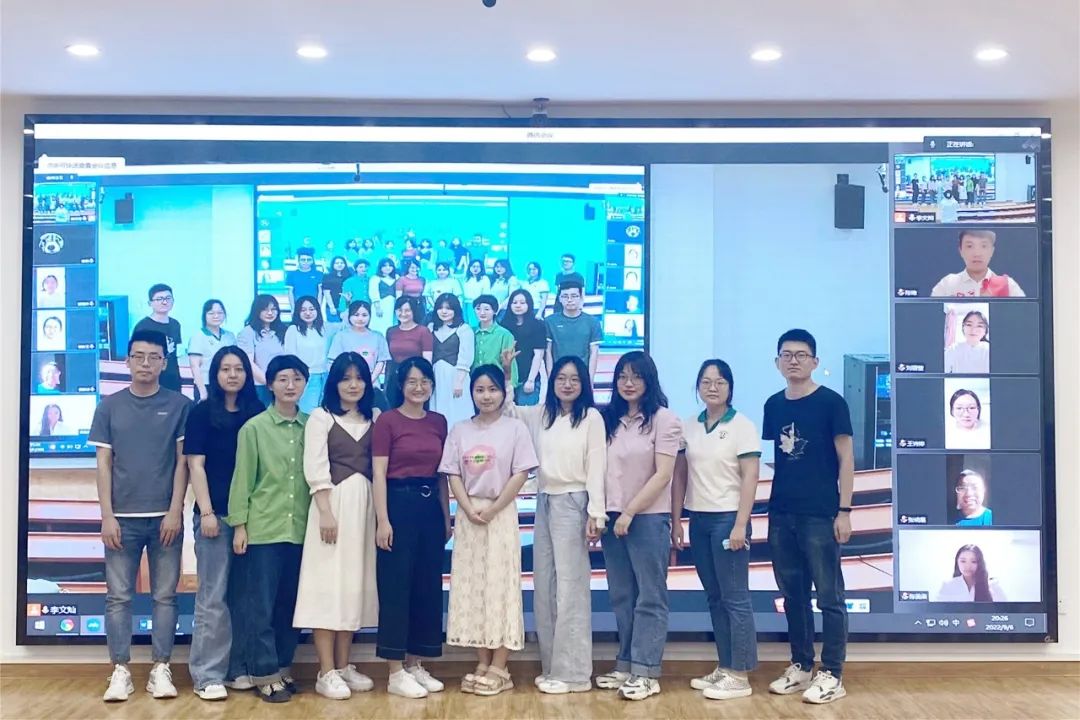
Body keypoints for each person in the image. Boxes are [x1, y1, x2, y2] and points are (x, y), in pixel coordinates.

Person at [89, 330, 191, 703]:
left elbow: (182, 463)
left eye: (153, 357)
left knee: (165, 597)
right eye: (138, 356)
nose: (145, 363)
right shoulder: (109, 406)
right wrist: (107, 516)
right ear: (128, 361)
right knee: (118, 598)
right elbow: (103, 464)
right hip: (122, 520)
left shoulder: (180, 405)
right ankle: (120, 670)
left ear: (164, 362)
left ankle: (161, 668)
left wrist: (176, 510)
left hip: (165, 519)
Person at [500, 352, 606, 695]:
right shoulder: (542, 415)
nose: (567, 384)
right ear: (552, 381)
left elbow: (597, 465)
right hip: (545, 500)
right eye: (561, 378)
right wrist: (507, 373)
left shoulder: (591, 417)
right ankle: (553, 668)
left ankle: (574, 674)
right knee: (545, 586)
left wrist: (596, 512)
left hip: (574, 502)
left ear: (584, 383)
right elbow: (509, 412)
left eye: (574, 379)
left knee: (571, 588)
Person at [762, 329, 854, 705]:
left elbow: (846, 458)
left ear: (815, 361)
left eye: (801, 355)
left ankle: (832, 673)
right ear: (777, 362)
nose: (794, 361)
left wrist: (844, 510)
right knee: (793, 596)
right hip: (781, 513)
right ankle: (801, 665)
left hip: (821, 513)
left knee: (829, 597)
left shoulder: (832, 403)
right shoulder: (773, 405)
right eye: (787, 355)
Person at [440, 365, 539, 696]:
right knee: (474, 588)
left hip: (501, 514)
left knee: (500, 586)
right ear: (471, 392)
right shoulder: (460, 430)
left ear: (503, 392)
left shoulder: (515, 429)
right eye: (480, 389)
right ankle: (483, 662)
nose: (486, 396)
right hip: (469, 517)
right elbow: (452, 473)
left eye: (493, 389)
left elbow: (521, 473)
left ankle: (500, 666)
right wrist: (467, 509)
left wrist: (494, 509)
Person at [671, 359, 760, 701]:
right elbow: (680, 476)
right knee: (715, 597)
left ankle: (740, 675)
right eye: (706, 381)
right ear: (698, 387)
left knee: (735, 598)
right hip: (700, 519)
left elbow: (750, 477)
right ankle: (725, 665)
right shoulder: (690, 425)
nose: (713, 387)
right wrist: (677, 520)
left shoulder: (742, 426)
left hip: (728, 519)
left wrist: (740, 524)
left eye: (720, 381)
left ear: (730, 388)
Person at [595, 351, 681, 702]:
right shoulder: (608, 419)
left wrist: (630, 512)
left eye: (636, 376)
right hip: (612, 518)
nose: (628, 383)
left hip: (646, 518)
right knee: (622, 595)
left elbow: (663, 475)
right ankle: (626, 663)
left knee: (650, 596)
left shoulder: (664, 420)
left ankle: (646, 671)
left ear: (649, 380)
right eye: (622, 376)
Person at [294, 353, 380, 700]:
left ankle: (343, 666)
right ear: (334, 382)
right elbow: (314, 467)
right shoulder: (321, 417)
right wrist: (325, 512)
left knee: (352, 586)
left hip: (365, 508)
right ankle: (325, 671)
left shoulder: (375, 417)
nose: (353, 384)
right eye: (346, 378)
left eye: (359, 378)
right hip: (331, 508)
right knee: (326, 585)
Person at [225, 354, 311, 703]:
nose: (290, 386)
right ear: (270, 384)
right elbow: (242, 480)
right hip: (263, 529)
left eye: (297, 379)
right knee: (260, 607)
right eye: (283, 379)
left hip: (302, 530)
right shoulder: (254, 428)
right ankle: (264, 673)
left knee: (290, 606)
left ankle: (283, 666)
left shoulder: (312, 427)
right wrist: (240, 526)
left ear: (305, 384)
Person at [184, 346, 265, 701]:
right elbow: (195, 465)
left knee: (243, 596)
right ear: (215, 374)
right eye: (225, 369)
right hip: (214, 516)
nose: (232, 375)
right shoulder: (201, 413)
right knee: (212, 597)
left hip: (251, 518)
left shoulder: (257, 412)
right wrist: (206, 512)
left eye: (239, 369)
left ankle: (236, 669)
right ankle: (207, 674)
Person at [372, 358, 451, 699]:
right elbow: (378, 474)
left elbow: (442, 474)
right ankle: (395, 670)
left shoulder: (439, 421)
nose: (419, 387)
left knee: (426, 586)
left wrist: (446, 516)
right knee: (396, 587)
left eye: (425, 381)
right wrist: (383, 519)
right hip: (398, 505)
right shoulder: (388, 421)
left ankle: (416, 663)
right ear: (401, 385)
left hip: (430, 507)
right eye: (412, 381)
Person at [931, 230, 1025, 298]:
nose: (977, 253)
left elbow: (1025, 315)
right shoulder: (947, 284)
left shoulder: (1008, 285)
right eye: (969, 246)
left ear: (992, 251)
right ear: (961, 251)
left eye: (984, 246)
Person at [428, 293, 475, 427]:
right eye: (440, 308)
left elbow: (466, 357)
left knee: (457, 409)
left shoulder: (464, 329)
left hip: (456, 375)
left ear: (456, 310)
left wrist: (459, 381)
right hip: (436, 375)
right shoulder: (431, 327)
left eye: (448, 308)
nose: (444, 311)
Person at [545, 281, 601, 381]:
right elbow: (548, 351)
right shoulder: (550, 321)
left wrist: (590, 380)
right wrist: (550, 378)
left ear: (581, 298)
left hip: (581, 375)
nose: (569, 300)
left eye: (574, 296)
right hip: (558, 374)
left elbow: (594, 353)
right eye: (565, 296)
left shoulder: (593, 322)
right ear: (559, 298)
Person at [236, 295, 287, 407]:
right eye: (265, 309)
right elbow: (248, 363)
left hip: (281, 385)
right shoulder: (247, 332)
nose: (270, 313)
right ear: (256, 311)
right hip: (259, 386)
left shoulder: (283, 331)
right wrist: (269, 382)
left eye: (273, 309)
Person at [385, 297, 434, 408]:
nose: (403, 314)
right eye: (399, 310)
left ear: (413, 311)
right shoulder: (391, 331)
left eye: (407, 310)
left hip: (416, 377)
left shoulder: (423, 331)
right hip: (395, 378)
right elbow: (388, 359)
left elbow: (427, 361)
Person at [133, 284, 183, 392]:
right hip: (150, 379)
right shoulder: (143, 326)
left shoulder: (175, 324)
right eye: (159, 299)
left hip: (173, 378)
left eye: (168, 298)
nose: (164, 302)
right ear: (150, 303)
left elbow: (175, 354)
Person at [500, 290, 546, 406]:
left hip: (528, 378)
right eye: (514, 302)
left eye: (522, 302)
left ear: (529, 304)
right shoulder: (503, 326)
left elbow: (538, 355)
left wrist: (531, 380)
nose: (518, 305)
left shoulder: (537, 325)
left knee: (526, 414)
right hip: (508, 379)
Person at [284, 296, 329, 413]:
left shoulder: (324, 328)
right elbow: (290, 358)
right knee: (307, 412)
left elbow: (346, 323)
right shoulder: (293, 330)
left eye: (311, 309)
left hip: (324, 376)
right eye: (303, 310)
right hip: (305, 376)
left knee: (323, 413)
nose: (308, 313)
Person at [187, 299, 237, 402]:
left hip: (227, 384)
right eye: (211, 313)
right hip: (206, 384)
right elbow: (195, 366)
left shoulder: (230, 336)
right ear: (204, 315)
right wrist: (202, 391)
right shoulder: (198, 337)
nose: (216, 316)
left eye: (220, 313)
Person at [472, 295, 518, 387]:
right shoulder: (470, 332)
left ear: (495, 311)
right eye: (478, 309)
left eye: (486, 309)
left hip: (496, 381)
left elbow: (510, 362)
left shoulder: (504, 334)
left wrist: (510, 385)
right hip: (474, 381)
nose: (482, 312)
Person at [935, 545, 1007, 601]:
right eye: (963, 561)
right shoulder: (948, 585)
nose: (968, 566)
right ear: (957, 562)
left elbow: (1004, 611)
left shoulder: (993, 586)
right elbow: (939, 611)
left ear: (979, 563)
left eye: (973, 561)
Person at [944, 310, 990, 374]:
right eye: (969, 324)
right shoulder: (954, 349)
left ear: (985, 331)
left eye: (979, 326)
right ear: (963, 328)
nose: (973, 330)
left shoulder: (990, 350)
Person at [368, 258, 399, 335]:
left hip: (393, 305)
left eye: (390, 266)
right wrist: (378, 308)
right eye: (385, 266)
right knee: (379, 325)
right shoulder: (375, 278)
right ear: (380, 267)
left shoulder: (397, 277)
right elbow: (373, 293)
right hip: (380, 305)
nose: (388, 268)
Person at [287, 247, 323, 312]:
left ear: (312, 261)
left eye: (308, 260)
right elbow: (290, 293)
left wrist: (318, 308)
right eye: (303, 260)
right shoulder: (291, 275)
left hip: (313, 305)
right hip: (298, 306)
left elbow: (320, 292)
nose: (306, 262)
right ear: (299, 261)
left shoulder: (319, 274)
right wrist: (293, 309)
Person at [321, 256, 352, 325]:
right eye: (337, 263)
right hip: (332, 307)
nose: (339, 264)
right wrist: (332, 307)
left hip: (346, 306)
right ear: (333, 265)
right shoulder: (327, 276)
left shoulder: (349, 276)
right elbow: (326, 293)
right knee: (334, 327)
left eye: (341, 263)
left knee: (347, 327)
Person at [462, 260, 491, 326]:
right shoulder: (466, 278)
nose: (475, 268)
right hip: (466, 303)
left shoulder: (484, 278)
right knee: (466, 323)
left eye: (478, 267)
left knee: (475, 324)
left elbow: (486, 294)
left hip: (477, 304)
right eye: (473, 266)